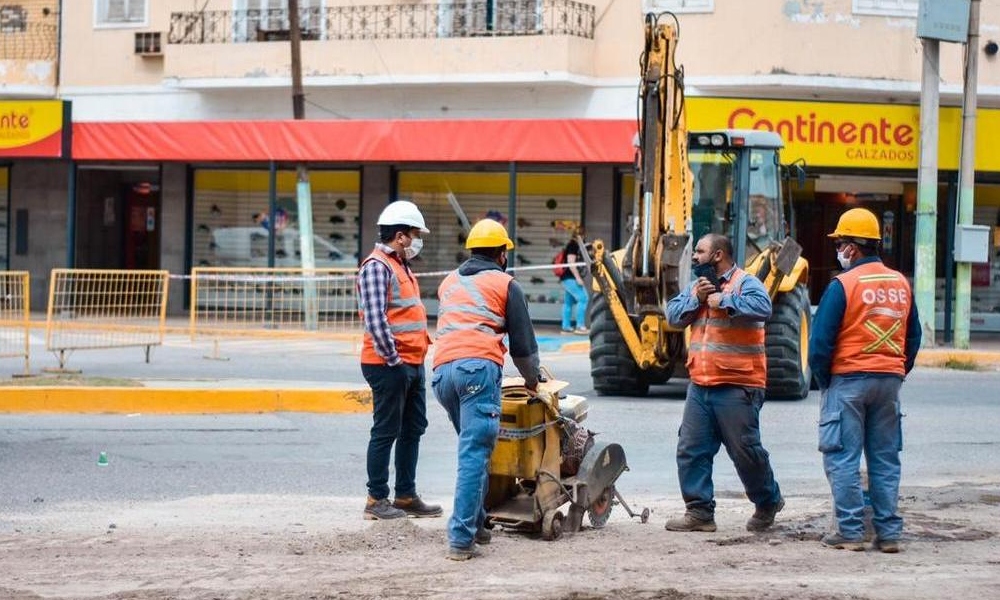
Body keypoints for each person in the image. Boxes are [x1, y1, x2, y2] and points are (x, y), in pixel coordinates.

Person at [808, 208, 920, 553]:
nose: (838, 250)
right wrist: (896, 371)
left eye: (840, 243)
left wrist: (826, 380)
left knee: (842, 457)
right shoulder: (901, 283)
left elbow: (820, 342)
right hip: (888, 382)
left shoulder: (844, 284)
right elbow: (913, 337)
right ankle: (888, 535)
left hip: (848, 380)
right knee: (885, 459)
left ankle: (850, 531)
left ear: (852, 248)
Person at [432, 218, 541, 561]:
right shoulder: (506, 283)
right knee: (474, 456)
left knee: (473, 452)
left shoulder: (449, 281)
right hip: (476, 369)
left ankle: (477, 524)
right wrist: (533, 380)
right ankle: (461, 539)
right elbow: (523, 346)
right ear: (501, 253)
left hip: (441, 372)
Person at [664, 233, 784, 533]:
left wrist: (724, 300)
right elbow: (673, 316)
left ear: (717, 255)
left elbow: (763, 308)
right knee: (691, 449)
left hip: (738, 384)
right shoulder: (697, 288)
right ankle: (699, 512)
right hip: (701, 385)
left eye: (700, 252)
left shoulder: (746, 282)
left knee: (745, 451)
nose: (694, 257)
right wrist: (697, 299)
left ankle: (768, 500)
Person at [356, 199, 441, 521]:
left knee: (413, 428)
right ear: (401, 236)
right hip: (389, 364)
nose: (418, 241)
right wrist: (394, 359)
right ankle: (376, 499)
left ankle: (405, 495)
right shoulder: (377, 266)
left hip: (411, 362)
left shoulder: (401, 264)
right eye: (415, 234)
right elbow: (375, 320)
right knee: (386, 431)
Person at [559, 225, 589, 334]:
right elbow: (571, 263)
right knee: (584, 298)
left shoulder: (572, 245)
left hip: (566, 278)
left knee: (568, 302)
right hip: (570, 278)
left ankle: (566, 327)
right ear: (580, 235)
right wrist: (578, 278)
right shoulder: (573, 245)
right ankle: (580, 326)